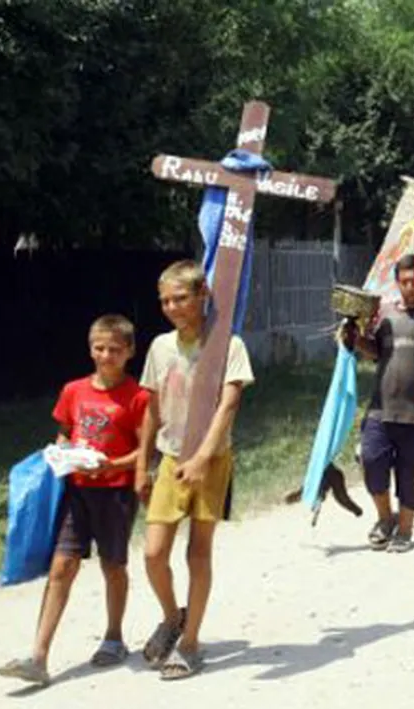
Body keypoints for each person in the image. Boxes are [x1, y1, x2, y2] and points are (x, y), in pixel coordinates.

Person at [0, 316, 149, 686]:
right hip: (76, 492)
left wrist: (112, 465)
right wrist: (63, 452)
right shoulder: (73, 390)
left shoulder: (139, 396)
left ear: (130, 351)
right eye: (99, 348)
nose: (106, 356)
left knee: (113, 565)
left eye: (115, 349)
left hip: (115, 493)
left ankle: (114, 638)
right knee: (62, 566)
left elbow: (147, 451)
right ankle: (38, 657)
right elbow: (65, 432)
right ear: (90, 348)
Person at [137, 260, 255, 680]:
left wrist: (203, 457)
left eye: (181, 298)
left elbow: (229, 404)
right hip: (171, 458)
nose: (172, 307)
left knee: (197, 552)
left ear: (203, 295)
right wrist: (142, 464)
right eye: (165, 300)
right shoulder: (159, 347)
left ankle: (189, 644)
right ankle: (173, 617)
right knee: (153, 554)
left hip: (212, 460)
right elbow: (151, 410)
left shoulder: (228, 346)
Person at [346, 253, 414, 552]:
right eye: (404, 282)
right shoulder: (387, 314)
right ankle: (385, 519)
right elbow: (377, 352)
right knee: (370, 460)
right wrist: (355, 340)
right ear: (397, 283)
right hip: (380, 408)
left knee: (412, 474)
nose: (409, 287)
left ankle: (405, 530)